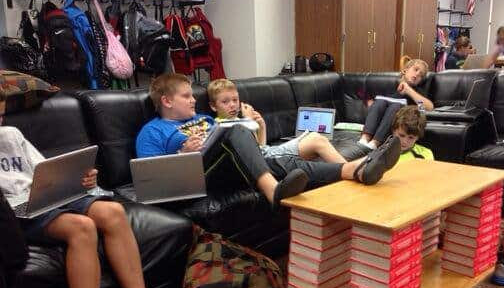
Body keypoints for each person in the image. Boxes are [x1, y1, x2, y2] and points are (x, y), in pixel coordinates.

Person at [0, 117, 184, 288]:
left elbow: (43, 172)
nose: (0, 122)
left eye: (1, 115)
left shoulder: (10, 133)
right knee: (81, 227)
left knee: (113, 212)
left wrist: (76, 180)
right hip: (13, 212)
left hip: (43, 197)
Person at [136, 74, 402, 200]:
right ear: (167, 101)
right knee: (235, 129)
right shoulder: (151, 131)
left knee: (287, 165)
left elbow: (248, 148)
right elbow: (152, 179)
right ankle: (273, 191)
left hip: (227, 167)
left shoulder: (203, 120)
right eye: (186, 96)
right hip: (198, 175)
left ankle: (355, 171)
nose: (194, 100)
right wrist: (184, 155)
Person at [207, 78, 346, 163]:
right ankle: (350, 170)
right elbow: (255, 155)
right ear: (213, 106)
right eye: (225, 102)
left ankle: (350, 170)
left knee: (315, 138)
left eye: (235, 100)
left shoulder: (239, 120)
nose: (232, 105)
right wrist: (248, 121)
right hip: (266, 159)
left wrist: (262, 126)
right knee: (317, 140)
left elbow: (260, 147)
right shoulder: (220, 127)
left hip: (267, 153)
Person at [359, 58, 433, 150]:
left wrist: (409, 91)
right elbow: (361, 92)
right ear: (405, 70)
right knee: (380, 102)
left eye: (421, 75)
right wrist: (370, 103)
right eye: (415, 69)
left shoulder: (417, 92)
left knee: (396, 106)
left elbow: (426, 108)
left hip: (398, 126)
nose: (417, 74)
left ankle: (375, 143)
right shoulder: (388, 84)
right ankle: (364, 139)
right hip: (377, 120)